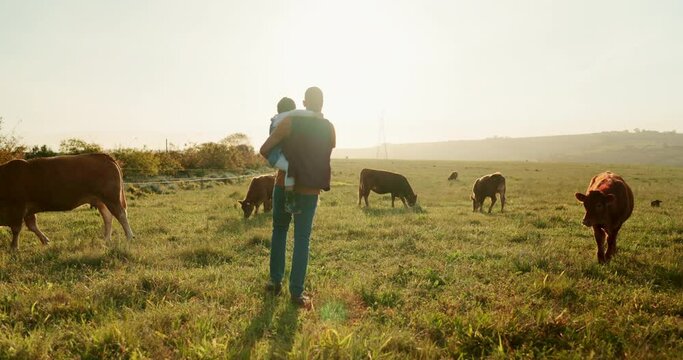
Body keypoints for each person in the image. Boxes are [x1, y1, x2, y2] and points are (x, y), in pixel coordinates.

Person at [259, 86, 336, 309]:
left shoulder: (289, 122)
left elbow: (265, 149)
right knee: (302, 238)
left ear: (304, 102)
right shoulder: (329, 128)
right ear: (322, 103)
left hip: (284, 185)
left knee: (279, 231)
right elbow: (323, 153)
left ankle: (275, 282)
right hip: (310, 190)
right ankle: (297, 293)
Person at [267, 97, 315, 213]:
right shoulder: (285, 118)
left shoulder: (277, 118)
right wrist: (314, 114)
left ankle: (291, 198)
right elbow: (299, 113)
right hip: (276, 156)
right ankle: (289, 201)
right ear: (291, 110)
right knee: (291, 168)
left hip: (277, 155)